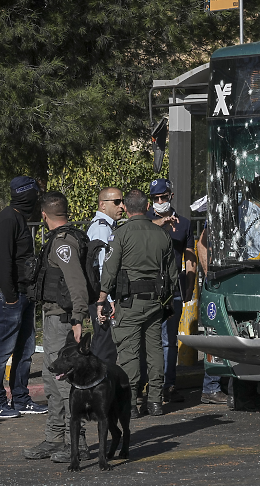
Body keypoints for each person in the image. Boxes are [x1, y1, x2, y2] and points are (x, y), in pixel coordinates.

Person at [23, 191, 92, 463]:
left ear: (43, 215)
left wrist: (78, 319)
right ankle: (54, 438)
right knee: (52, 381)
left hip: (64, 321)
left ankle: (79, 442)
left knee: (66, 384)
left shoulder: (64, 243)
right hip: (53, 319)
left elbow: (76, 283)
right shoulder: (58, 239)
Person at [96, 189, 178, 418]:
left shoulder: (120, 234)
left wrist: (101, 300)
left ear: (128, 209)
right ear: (146, 207)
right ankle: (155, 401)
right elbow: (172, 275)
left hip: (129, 304)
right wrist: (167, 302)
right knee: (154, 351)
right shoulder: (162, 234)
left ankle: (130, 403)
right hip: (154, 303)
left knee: (129, 353)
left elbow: (109, 272)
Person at [0, 176, 48, 418]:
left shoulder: (18, 217)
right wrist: (10, 296)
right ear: (26, 194)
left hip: (22, 293)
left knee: (26, 348)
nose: (37, 199)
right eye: (35, 193)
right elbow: (2, 261)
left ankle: (21, 398)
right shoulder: (7, 219)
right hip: (7, 296)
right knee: (2, 351)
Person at [145, 179, 196, 404]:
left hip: (172, 288)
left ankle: (168, 385)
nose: (159, 202)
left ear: (171, 196)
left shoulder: (183, 224)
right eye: (155, 199)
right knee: (147, 338)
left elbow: (190, 257)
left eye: (163, 197)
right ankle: (147, 384)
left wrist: (189, 286)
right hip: (147, 287)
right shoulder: (145, 220)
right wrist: (162, 221)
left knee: (169, 340)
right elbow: (137, 230)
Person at [192, 217, 229, 404]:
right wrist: (209, 274)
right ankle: (211, 387)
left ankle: (223, 387)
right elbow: (202, 243)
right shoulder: (221, 210)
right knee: (217, 333)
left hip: (229, 276)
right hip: (221, 279)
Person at [86, 187, 124, 365]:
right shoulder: (102, 229)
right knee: (104, 345)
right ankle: (98, 384)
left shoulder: (106, 226)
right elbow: (103, 267)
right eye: (116, 202)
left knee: (105, 342)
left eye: (122, 201)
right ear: (102, 205)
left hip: (101, 294)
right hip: (102, 295)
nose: (122, 206)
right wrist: (107, 298)